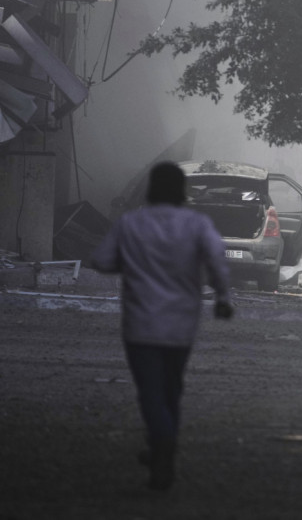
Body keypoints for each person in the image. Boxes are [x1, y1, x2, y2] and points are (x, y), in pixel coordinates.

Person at [91, 161, 233, 491]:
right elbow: (217, 260)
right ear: (182, 189)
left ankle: (163, 443)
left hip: (141, 322)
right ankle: (162, 449)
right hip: (182, 322)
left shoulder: (130, 223)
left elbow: (101, 260)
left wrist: (130, 263)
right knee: (172, 388)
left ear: (150, 188)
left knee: (151, 391)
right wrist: (223, 296)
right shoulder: (197, 224)